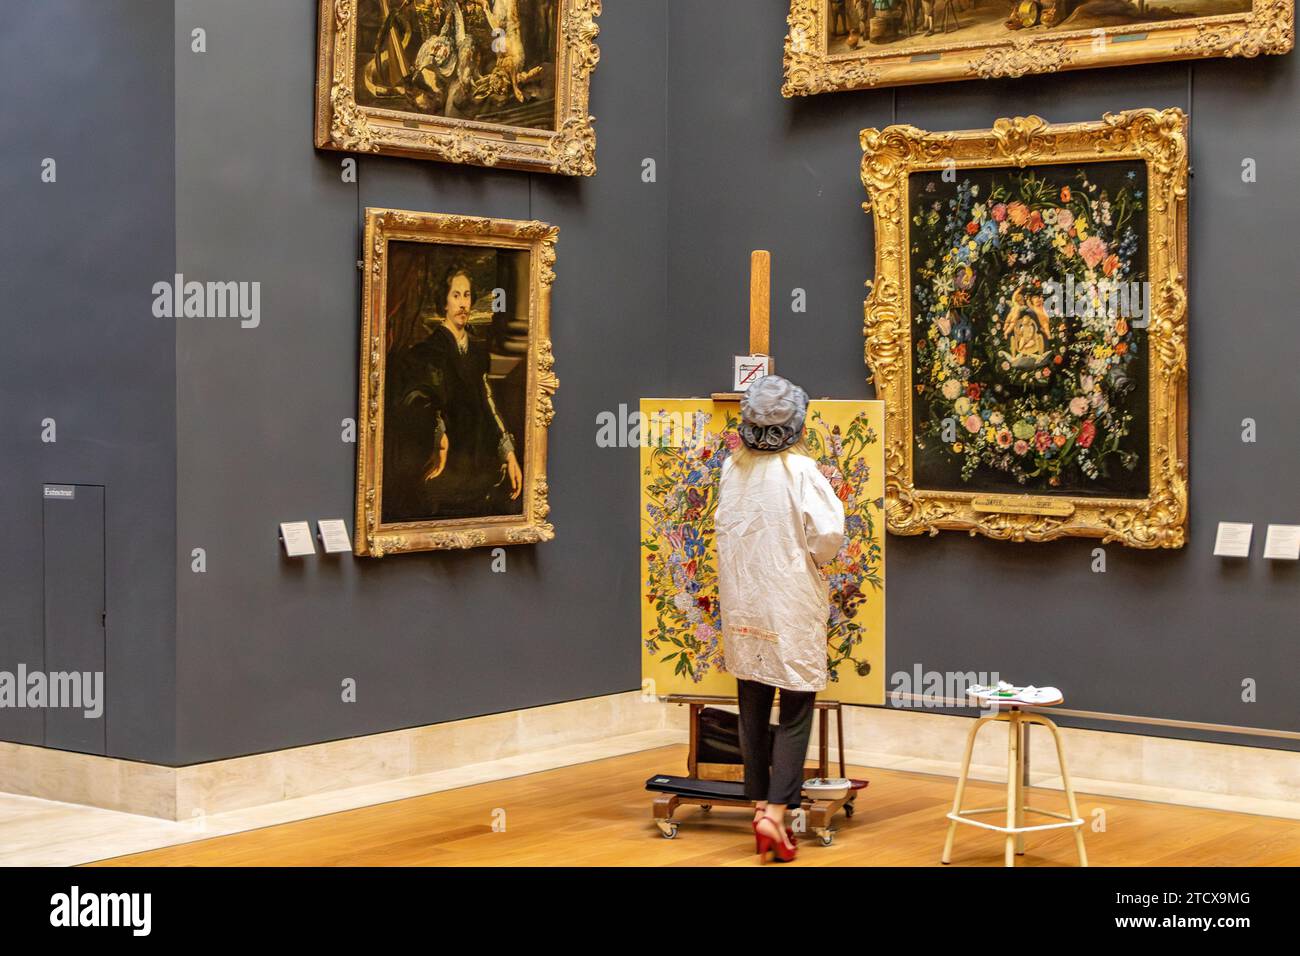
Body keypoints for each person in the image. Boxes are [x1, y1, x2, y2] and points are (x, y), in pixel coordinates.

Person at [715, 374, 846, 863]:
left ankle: (757, 802)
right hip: (788, 596)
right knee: (794, 705)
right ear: (795, 422)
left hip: (744, 597)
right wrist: (815, 558)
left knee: (751, 693)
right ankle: (774, 811)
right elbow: (828, 535)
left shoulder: (733, 467)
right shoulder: (802, 472)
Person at [384, 266, 522, 522]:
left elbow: (488, 401)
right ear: (443, 303)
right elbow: (415, 402)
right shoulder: (426, 353)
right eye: (455, 295)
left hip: (478, 460)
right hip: (443, 464)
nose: (463, 304)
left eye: (467, 295)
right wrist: (439, 437)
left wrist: (508, 452)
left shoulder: (478, 353)